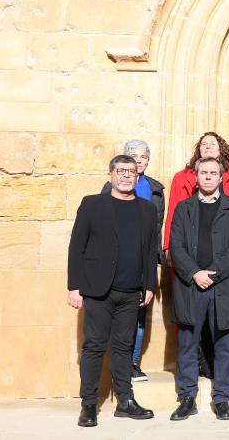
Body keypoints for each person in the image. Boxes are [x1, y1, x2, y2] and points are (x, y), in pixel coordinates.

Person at [67, 155, 157, 427]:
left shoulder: (147, 209)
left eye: (131, 172)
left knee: (123, 348)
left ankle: (125, 402)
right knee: (94, 346)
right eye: (121, 171)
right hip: (97, 291)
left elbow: (150, 250)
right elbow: (76, 247)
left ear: (137, 177)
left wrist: (149, 284)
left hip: (131, 292)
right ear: (111, 175)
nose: (127, 176)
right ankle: (89, 405)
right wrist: (74, 286)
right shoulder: (93, 204)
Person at [168, 157, 229, 421]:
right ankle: (187, 397)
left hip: (222, 285)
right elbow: (176, 246)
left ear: (220, 177)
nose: (208, 177)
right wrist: (194, 273)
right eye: (203, 172)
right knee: (188, 342)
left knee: (223, 343)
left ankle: (222, 398)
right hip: (190, 285)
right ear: (196, 176)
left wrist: (213, 274)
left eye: (213, 173)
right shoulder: (183, 209)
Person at [101, 140, 165, 382]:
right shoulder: (110, 188)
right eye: (134, 156)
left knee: (139, 316)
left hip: (144, 261)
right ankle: (118, 365)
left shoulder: (157, 189)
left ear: (148, 161)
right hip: (117, 262)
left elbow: (157, 227)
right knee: (114, 318)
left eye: (143, 157)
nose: (139, 160)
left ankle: (132, 363)